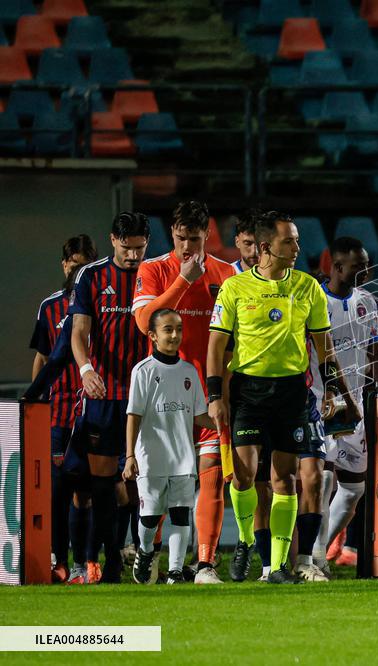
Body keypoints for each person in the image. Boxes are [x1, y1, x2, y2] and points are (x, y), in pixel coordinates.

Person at [206, 210, 359, 584]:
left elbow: (324, 347)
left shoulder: (307, 287)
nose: (296, 248)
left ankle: (276, 567)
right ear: (265, 248)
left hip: (291, 392)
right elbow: (216, 346)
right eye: (288, 241)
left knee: (285, 480)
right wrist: (215, 395)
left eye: (297, 240)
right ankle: (246, 540)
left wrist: (333, 389)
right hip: (248, 391)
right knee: (243, 477)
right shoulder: (235, 288)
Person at [132, 201, 235, 584]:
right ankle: (150, 555)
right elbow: (145, 321)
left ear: (207, 234)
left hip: (207, 393)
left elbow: (232, 340)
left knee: (210, 477)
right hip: (163, 398)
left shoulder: (226, 274)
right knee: (161, 488)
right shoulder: (154, 269)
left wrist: (222, 392)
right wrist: (183, 281)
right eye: (180, 238)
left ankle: (204, 563)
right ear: (172, 234)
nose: (187, 246)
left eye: (194, 238)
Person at [306, 236, 378, 576]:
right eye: (358, 266)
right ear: (337, 267)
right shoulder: (315, 301)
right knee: (323, 481)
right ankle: (314, 558)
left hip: (356, 406)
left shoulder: (367, 302)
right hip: (322, 403)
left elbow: (376, 352)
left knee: (353, 490)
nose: (365, 271)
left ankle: (318, 549)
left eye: (366, 265)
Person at [69, 212, 151, 583]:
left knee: (141, 483)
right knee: (102, 483)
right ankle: (110, 560)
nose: (133, 256)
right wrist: (86, 369)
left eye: (139, 248)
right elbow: (78, 331)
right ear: (113, 240)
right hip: (104, 394)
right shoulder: (91, 276)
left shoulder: (154, 273)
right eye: (126, 248)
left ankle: (140, 555)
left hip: (145, 395)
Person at [124, 308, 218, 585]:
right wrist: (130, 455)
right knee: (151, 517)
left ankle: (175, 572)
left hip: (183, 457)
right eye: (168, 329)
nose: (175, 335)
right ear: (153, 335)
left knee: (180, 514)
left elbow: (199, 415)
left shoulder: (189, 371)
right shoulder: (143, 371)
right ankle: (145, 550)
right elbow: (133, 415)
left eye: (178, 329)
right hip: (151, 457)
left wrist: (224, 423)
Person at [29, 234, 97, 583]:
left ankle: (86, 563)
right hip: (57, 412)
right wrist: (37, 405)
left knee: (87, 491)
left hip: (92, 408)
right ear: (64, 265)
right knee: (57, 490)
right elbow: (43, 359)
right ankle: (59, 559)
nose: (77, 271)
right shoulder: (50, 307)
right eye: (73, 265)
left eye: (84, 265)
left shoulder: (100, 303)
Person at [232, 209, 259, 274]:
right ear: (237, 242)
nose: (254, 251)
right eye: (248, 244)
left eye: (259, 244)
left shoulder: (278, 275)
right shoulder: (225, 275)